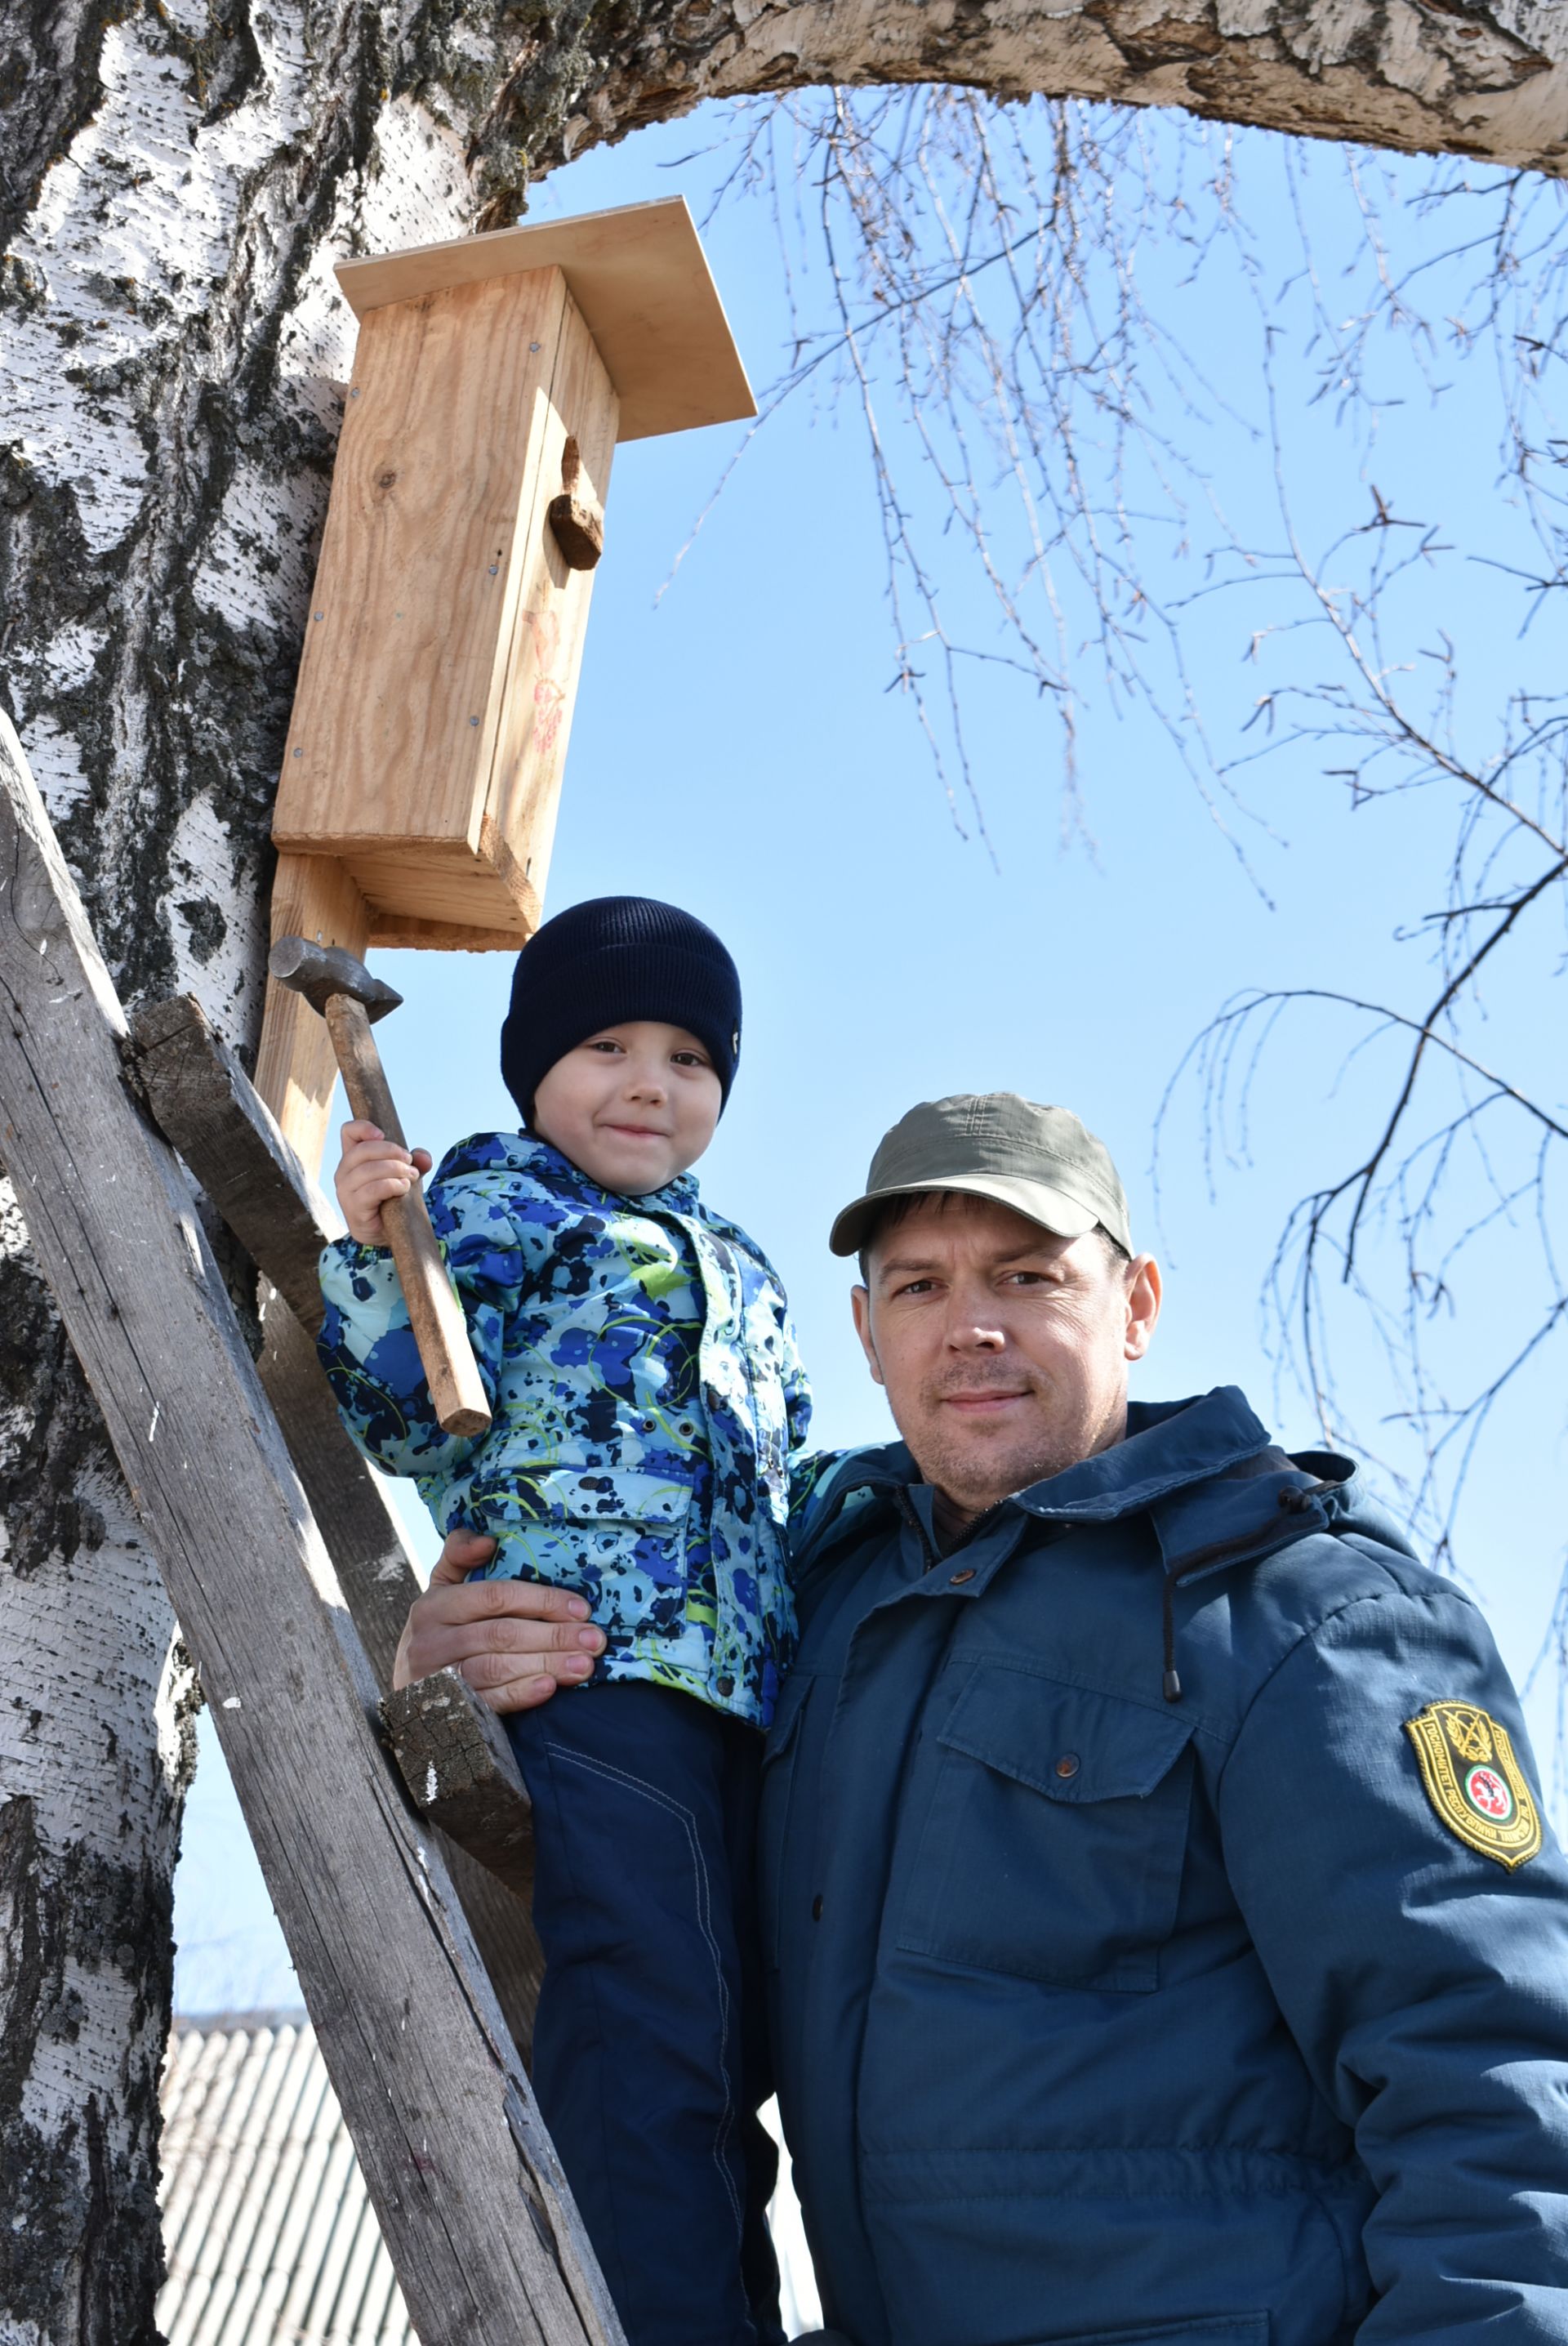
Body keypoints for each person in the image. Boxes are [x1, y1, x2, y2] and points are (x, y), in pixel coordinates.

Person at [399, 1091, 1568, 2346]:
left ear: (1136, 1306)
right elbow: (658, 1954)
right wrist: (453, 1660)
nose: (971, 1328)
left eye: (1026, 1276)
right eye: (918, 1287)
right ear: (862, 1327)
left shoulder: (1297, 1610)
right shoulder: (806, 1608)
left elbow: (1495, 2083)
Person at [317, 895, 811, 2346]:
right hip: (592, 1677)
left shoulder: (749, 1267)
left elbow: (789, 1465)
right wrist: (373, 1247)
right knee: (646, 2012)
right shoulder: (498, 1204)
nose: (651, 1083)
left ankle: (732, 2310)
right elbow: (406, 1409)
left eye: (689, 1056)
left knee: (737, 2044)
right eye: (606, 1044)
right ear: (534, 1065)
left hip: (746, 1708)